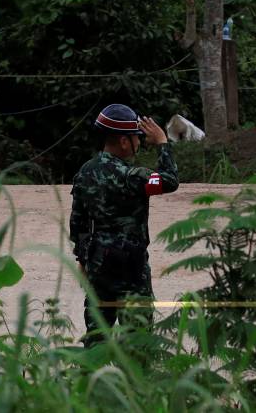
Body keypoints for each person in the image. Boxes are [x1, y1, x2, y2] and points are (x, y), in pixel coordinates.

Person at [70, 104, 179, 345]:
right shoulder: (133, 177)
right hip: (131, 267)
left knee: (97, 337)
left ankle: (90, 379)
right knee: (137, 341)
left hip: (98, 263)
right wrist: (162, 143)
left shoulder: (85, 172)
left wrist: (82, 260)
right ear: (123, 141)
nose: (138, 143)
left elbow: (77, 222)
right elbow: (170, 180)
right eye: (136, 138)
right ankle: (133, 382)